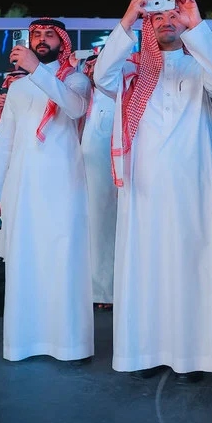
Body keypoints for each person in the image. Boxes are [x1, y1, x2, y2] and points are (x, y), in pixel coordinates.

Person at [92, 0, 212, 383]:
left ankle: (195, 354)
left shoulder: (200, 64)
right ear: (147, 26)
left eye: (174, 16)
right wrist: (128, 15)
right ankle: (148, 350)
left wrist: (195, 24)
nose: (166, 21)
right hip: (145, 190)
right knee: (148, 269)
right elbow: (101, 76)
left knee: (192, 267)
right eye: (157, 18)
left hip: (194, 187)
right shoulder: (132, 69)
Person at [0, 18, 94, 363]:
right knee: (25, 264)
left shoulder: (74, 79)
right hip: (23, 188)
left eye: (48, 35)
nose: (41, 40)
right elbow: (5, 145)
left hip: (63, 186)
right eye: (36, 36)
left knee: (63, 263)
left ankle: (69, 346)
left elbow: (74, 108)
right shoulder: (16, 89)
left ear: (61, 41)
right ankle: (24, 342)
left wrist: (36, 70)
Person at [78, 54, 117, 312]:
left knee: (104, 233)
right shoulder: (80, 97)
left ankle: (107, 292)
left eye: (95, 65)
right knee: (85, 234)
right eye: (88, 66)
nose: (91, 70)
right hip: (79, 177)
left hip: (106, 178)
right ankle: (87, 290)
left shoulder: (114, 98)